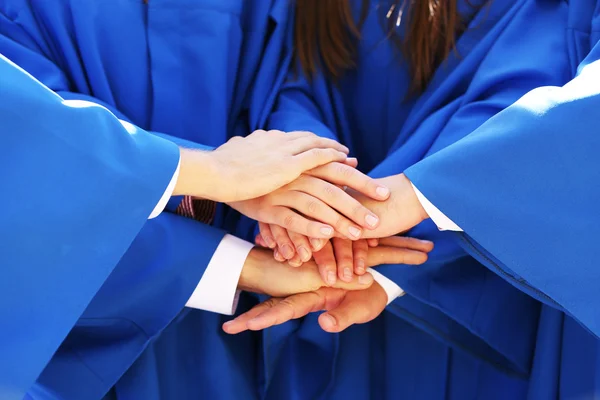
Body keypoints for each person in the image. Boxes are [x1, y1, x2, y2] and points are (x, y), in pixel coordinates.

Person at [0, 1, 434, 399]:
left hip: (231, 338)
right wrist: (219, 202)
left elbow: (287, 78)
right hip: (63, 331)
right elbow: (29, 145)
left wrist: (309, 196)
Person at [226, 0, 600, 398]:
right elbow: (290, 79)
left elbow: (532, 83)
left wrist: (408, 198)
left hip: (492, 286)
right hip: (339, 283)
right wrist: (312, 191)